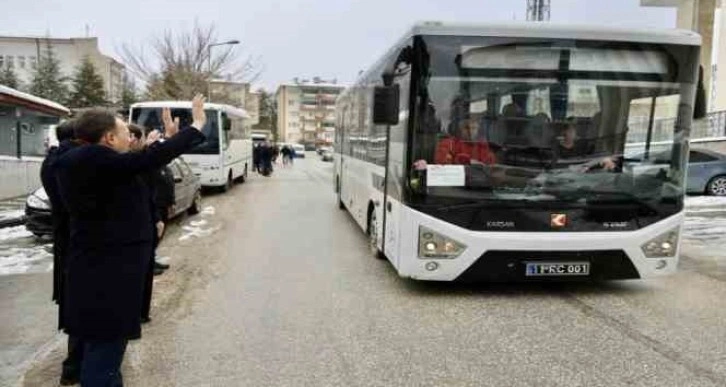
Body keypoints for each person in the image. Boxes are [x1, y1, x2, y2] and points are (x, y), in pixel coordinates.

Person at [54, 95, 206, 386]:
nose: (131, 138)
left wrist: (166, 144)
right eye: (126, 132)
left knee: (103, 349)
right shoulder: (91, 160)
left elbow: (140, 165)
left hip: (102, 269)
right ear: (109, 138)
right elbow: (144, 160)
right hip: (107, 274)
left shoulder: (92, 161)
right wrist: (196, 125)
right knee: (104, 352)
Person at [40, 120, 83, 386]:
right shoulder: (70, 164)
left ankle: (74, 363)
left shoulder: (53, 160)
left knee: (73, 302)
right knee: (79, 304)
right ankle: (74, 365)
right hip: (74, 240)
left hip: (64, 238)